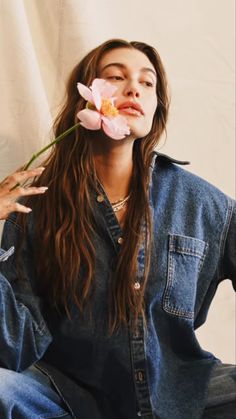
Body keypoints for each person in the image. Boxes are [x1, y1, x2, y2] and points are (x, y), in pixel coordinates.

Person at [0, 38, 235, 419]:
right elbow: (15, 344)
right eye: (115, 76)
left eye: (147, 83)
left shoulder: (202, 203)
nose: (133, 89)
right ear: (86, 99)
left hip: (179, 393)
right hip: (68, 397)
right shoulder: (35, 202)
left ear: (156, 108)